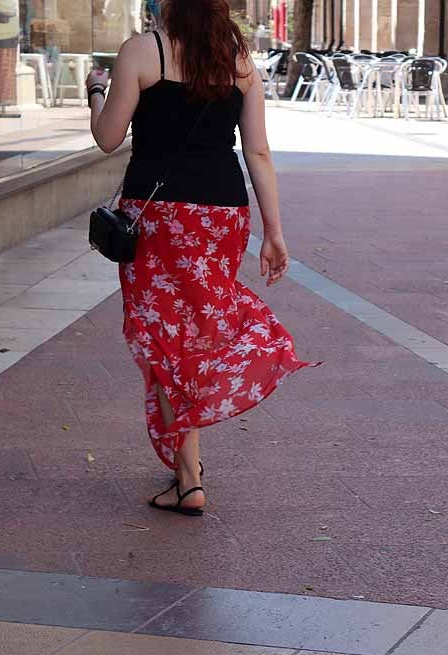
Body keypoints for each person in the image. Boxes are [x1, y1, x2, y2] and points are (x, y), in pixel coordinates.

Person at [85, 0, 316, 516]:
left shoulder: (144, 52)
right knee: (196, 329)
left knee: (163, 333)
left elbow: (106, 138)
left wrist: (97, 92)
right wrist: (274, 232)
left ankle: (188, 477)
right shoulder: (238, 61)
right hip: (222, 215)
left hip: (161, 219)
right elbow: (257, 151)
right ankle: (188, 461)